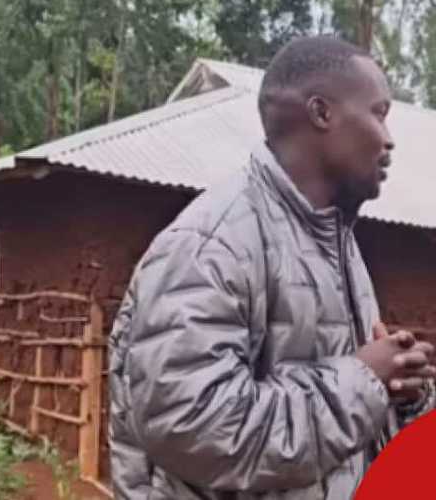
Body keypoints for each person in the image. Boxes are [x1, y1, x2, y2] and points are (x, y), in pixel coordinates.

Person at [108, 36, 436, 499]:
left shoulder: (337, 244)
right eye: (378, 114)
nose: (388, 140)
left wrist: (401, 390)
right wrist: (364, 379)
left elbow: (337, 433)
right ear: (322, 114)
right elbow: (194, 427)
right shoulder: (211, 245)